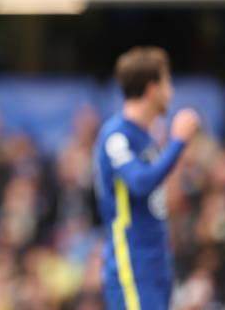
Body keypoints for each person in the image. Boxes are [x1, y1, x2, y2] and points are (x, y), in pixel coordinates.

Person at [93, 47, 200, 309]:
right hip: (132, 263)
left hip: (156, 262)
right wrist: (178, 142)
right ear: (152, 89)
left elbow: (162, 200)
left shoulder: (147, 138)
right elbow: (140, 183)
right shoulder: (117, 135)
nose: (170, 92)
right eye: (167, 83)